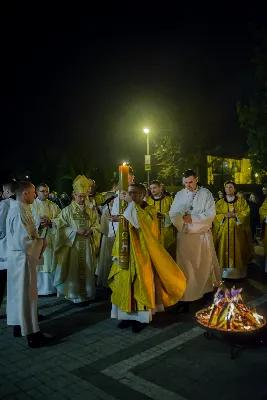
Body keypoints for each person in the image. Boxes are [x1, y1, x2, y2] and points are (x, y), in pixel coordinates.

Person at [108, 183, 186, 333]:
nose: (131, 195)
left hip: (142, 254)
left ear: (143, 195)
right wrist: (118, 219)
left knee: (141, 284)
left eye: (135, 193)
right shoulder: (128, 207)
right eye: (129, 192)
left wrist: (129, 207)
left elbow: (142, 225)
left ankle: (141, 318)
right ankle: (125, 316)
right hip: (125, 251)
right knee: (124, 281)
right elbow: (126, 221)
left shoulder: (150, 210)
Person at [6, 181, 52, 348]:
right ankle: (32, 334)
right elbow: (23, 241)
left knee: (18, 294)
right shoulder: (19, 211)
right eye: (33, 193)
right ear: (25, 193)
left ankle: (18, 326)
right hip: (22, 258)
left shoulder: (20, 209)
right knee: (27, 296)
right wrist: (40, 243)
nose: (34, 196)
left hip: (19, 258)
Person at [169, 169, 221, 307]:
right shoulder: (179, 195)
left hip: (201, 236)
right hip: (185, 236)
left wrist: (193, 218)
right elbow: (173, 213)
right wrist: (180, 219)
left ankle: (206, 290)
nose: (188, 185)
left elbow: (211, 214)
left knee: (203, 265)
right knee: (186, 267)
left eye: (190, 182)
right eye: (185, 182)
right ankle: (186, 296)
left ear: (196, 179)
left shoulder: (206, 194)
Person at [53, 175, 100, 304]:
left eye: (84, 196)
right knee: (74, 270)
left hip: (87, 244)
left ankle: (88, 293)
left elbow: (97, 225)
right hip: (74, 246)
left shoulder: (90, 211)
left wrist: (91, 230)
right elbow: (61, 228)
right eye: (79, 196)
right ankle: (75, 295)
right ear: (74, 195)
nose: (82, 199)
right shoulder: (66, 211)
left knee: (88, 269)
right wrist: (74, 231)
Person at [213, 181, 251, 279]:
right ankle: (224, 274)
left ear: (235, 189)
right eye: (227, 187)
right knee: (223, 250)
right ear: (224, 189)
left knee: (238, 250)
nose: (229, 189)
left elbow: (246, 213)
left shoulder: (242, 202)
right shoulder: (219, 203)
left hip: (238, 232)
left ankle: (238, 274)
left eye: (231, 187)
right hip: (224, 233)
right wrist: (224, 215)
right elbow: (215, 215)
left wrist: (236, 215)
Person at [31, 183, 61, 295]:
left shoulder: (54, 206)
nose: (45, 193)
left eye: (46, 191)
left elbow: (60, 219)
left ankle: (50, 288)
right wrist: (38, 223)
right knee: (38, 263)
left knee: (49, 261)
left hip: (50, 238)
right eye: (42, 191)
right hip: (37, 237)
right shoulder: (31, 206)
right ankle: (38, 288)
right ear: (37, 192)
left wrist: (51, 222)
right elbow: (27, 221)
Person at [0, 180, 17, 318]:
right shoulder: (21, 204)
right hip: (16, 251)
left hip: (4, 249)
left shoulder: (4, 204)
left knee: (1, 284)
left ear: (6, 191)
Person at [147, 180, 176, 257]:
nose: (152, 190)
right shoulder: (147, 200)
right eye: (151, 188)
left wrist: (164, 216)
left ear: (160, 187)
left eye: (155, 188)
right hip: (152, 231)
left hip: (166, 232)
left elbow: (174, 213)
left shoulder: (169, 199)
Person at [108, 166, 135, 238]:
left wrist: (131, 199)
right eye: (122, 177)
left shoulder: (138, 192)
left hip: (133, 233)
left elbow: (140, 213)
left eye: (127, 176)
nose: (124, 179)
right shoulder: (117, 194)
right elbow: (115, 212)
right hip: (119, 233)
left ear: (132, 177)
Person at [96, 192, 116, 287]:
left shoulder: (116, 209)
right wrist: (110, 234)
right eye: (111, 200)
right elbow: (103, 227)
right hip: (108, 238)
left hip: (115, 238)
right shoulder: (106, 211)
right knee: (107, 260)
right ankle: (106, 281)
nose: (113, 201)